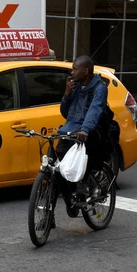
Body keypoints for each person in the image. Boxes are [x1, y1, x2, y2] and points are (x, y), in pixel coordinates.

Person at [58, 55, 108, 201]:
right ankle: (50, 214)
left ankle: (84, 184)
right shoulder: (75, 86)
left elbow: (95, 109)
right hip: (71, 129)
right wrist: (67, 94)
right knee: (56, 164)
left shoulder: (99, 88)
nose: (71, 72)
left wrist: (85, 129)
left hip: (91, 130)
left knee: (84, 155)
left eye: (74, 68)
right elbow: (65, 113)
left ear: (85, 70)